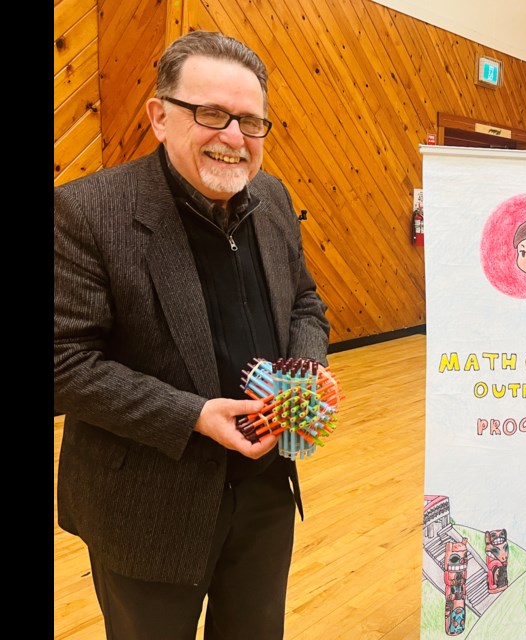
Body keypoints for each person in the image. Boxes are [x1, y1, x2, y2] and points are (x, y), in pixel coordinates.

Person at [53, 31, 331, 639]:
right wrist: (195, 415)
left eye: (252, 122)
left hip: (265, 493)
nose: (234, 138)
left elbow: (305, 301)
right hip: (147, 507)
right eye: (211, 114)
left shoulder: (274, 196)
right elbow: (64, 364)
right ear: (160, 115)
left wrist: (305, 374)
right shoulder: (86, 211)